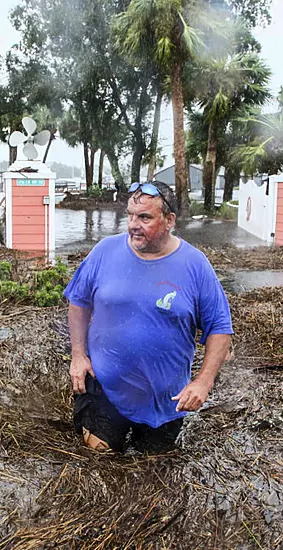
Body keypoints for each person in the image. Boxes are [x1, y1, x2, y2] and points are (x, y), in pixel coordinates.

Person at [63, 181, 233, 453]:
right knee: (99, 455)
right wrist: (78, 355)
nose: (133, 224)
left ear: (169, 220)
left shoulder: (195, 265)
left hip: (165, 400)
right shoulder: (105, 252)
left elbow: (220, 328)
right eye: (130, 215)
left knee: (152, 466)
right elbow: (79, 301)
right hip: (106, 389)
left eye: (144, 217)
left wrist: (203, 381)